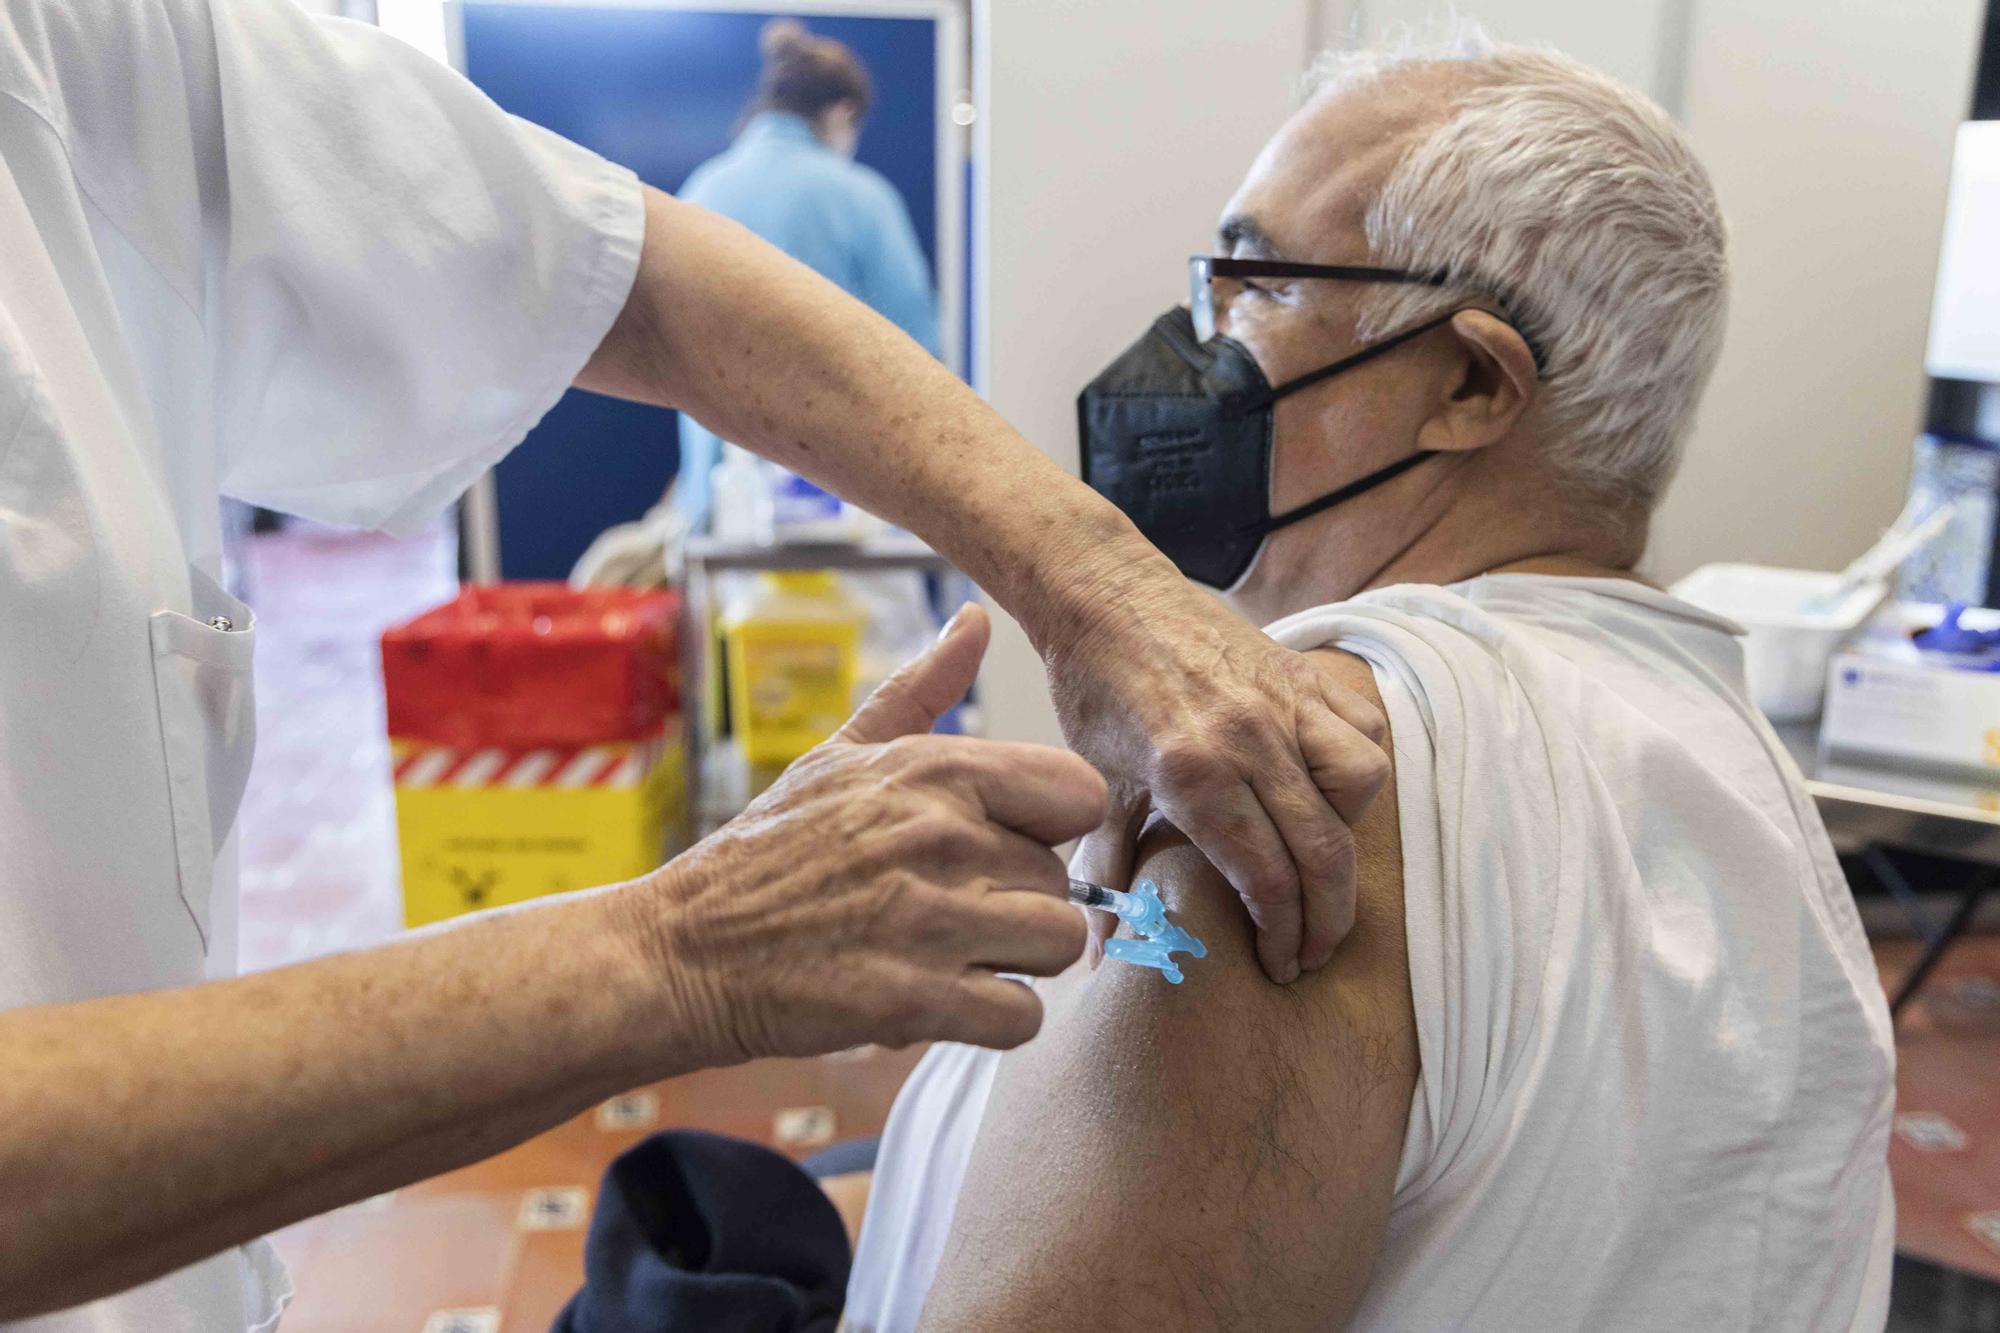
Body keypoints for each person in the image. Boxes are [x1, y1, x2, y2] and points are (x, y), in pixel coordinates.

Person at [0, 0, 1393, 1326]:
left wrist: (1089, 578)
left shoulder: (90, 48)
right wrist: (685, 948)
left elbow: (638, 282)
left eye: (1263, 285)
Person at [845, 28, 1896, 1333]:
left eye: (1258, 283)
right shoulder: (1723, 751)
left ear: (1466, 381)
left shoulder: (1288, 773)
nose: (1196, 336)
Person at [675, 18, 941, 526]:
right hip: (846, 510)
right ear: (843, 113)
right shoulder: (862, 197)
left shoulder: (701, 191)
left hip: (725, 510)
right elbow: (921, 351)